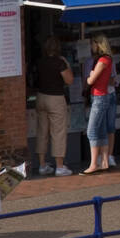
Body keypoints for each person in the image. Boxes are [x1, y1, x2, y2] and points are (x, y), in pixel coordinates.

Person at [34, 37, 74, 176]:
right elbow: (69, 80)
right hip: (56, 98)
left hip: (40, 97)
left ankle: (42, 165)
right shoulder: (60, 62)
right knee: (58, 132)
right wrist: (67, 65)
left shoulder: (40, 62)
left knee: (42, 131)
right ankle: (59, 166)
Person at [80, 34, 116, 174]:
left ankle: (94, 164)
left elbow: (90, 81)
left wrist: (90, 74)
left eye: (93, 44)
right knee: (101, 130)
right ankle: (105, 161)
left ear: (98, 44)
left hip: (99, 97)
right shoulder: (108, 59)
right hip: (101, 96)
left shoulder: (102, 60)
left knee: (92, 131)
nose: (91, 47)